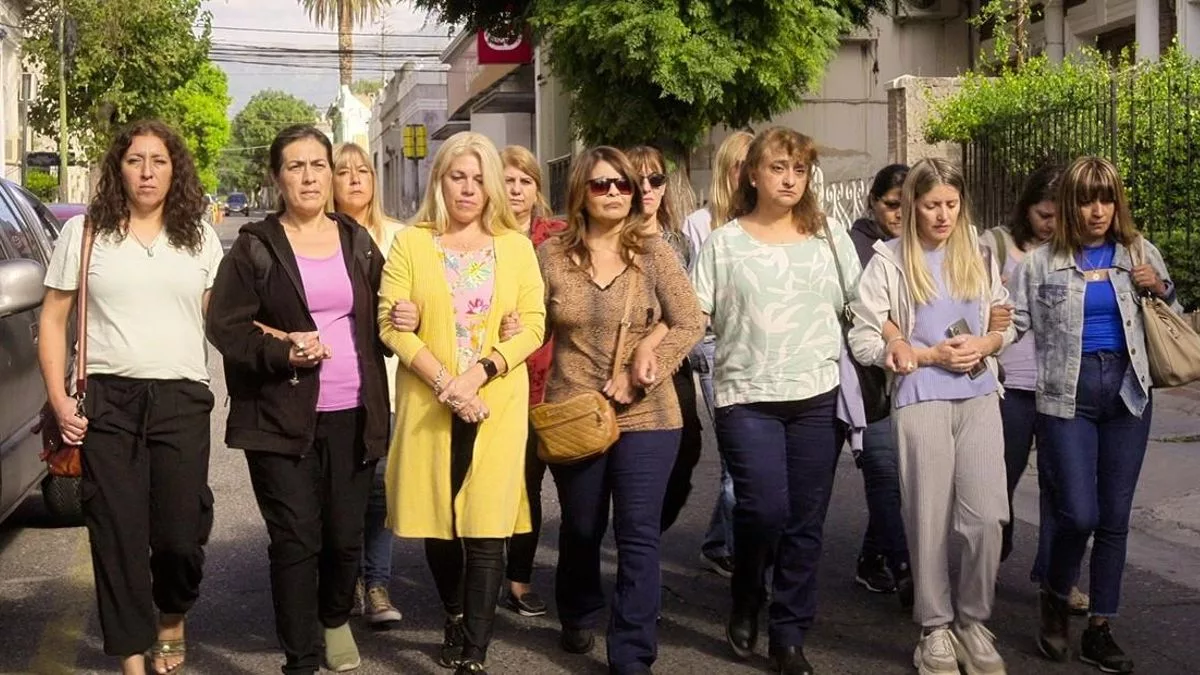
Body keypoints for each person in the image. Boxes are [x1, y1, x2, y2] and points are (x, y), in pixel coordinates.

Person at [37, 119, 223, 675]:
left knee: (179, 536)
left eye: (159, 161)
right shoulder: (87, 232)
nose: (147, 171)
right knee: (116, 534)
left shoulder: (198, 235)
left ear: (175, 170)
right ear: (119, 167)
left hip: (183, 398)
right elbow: (52, 320)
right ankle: (132, 655)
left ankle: (172, 616)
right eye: (135, 160)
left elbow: (226, 320)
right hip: (109, 401)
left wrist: (283, 339)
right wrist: (60, 399)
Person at [206, 124, 392, 675]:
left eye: (318, 165)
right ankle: (301, 659)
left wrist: (404, 318)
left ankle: (334, 616)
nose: (309, 177)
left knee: (342, 539)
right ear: (277, 177)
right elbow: (226, 325)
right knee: (295, 539)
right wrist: (281, 353)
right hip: (279, 416)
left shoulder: (357, 241)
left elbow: (382, 319)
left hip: (354, 413)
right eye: (295, 166)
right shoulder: (256, 246)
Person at [377, 131, 546, 675]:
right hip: (431, 403)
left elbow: (533, 326)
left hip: (496, 403)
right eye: (457, 177)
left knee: (487, 525)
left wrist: (477, 375)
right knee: (440, 522)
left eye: (478, 178)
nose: (468, 188)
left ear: (492, 185)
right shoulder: (412, 243)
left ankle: (476, 649)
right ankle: (453, 612)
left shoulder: (515, 246)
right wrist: (446, 382)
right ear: (439, 182)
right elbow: (389, 323)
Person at [692, 126, 859, 675]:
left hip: (816, 395)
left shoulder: (828, 236)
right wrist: (651, 349)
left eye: (800, 169)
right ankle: (746, 589)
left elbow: (863, 307)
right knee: (764, 508)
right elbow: (695, 315)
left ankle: (789, 635)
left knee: (805, 521)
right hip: (745, 395)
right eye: (778, 167)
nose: (790, 179)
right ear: (752, 174)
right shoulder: (725, 242)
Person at [539, 146, 703, 675]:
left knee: (637, 531)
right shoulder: (552, 257)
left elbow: (690, 320)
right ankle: (580, 606)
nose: (613, 193)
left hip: (649, 414)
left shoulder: (654, 252)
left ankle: (632, 652)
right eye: (601, 185)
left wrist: (650, 358)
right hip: (575, 412)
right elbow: (522, 323)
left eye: (624, 185)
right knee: (583, 527)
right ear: (580, 193)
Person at [848, 157, 1015, 675]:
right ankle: (935, 628)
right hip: (921, 396)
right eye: (930, 205)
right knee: (929, 518)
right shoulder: (890, 261)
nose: (942, 215)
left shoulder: (980, 254)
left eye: (950, 204)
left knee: (988, 517)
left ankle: (972, 620)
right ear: (913, 204)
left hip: (980, 393)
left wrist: (987, 343)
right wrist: (913, 353)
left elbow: (1004, 320)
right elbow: (863, 335)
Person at [1011, 156, 1176, 673]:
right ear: (1069, 205)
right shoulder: (1040, 263)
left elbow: (1172, 305)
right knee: (1077, 513)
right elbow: (1012, 321)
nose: (1097, 210)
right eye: (1086, 199)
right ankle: (1055, 597)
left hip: (1128, 395)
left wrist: (1160, 286)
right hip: (1067, 397)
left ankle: (1100, 629)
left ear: (1116, 202)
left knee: (1114, 518)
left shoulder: (1137, 252)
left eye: (1106, 198)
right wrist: (971, 339)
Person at [979, 163, 1088, 614]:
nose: (1051, 224)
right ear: (1027, 210)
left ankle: (1054, 576)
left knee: (1060, 488)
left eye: (1059, 215)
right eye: (1043, 215)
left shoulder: (1079, 252)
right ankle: (990, 557)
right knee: (997, 480)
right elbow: (967, 298)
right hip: (1012, 387)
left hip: (1062, 388)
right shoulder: (996, 245)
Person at [329, 141, 406, 628]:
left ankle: (376, 583)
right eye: (344, 171)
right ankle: (345, 580)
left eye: (364, 170)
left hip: (393, 385)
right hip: (336, 386)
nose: (356, 178)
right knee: (343, 492)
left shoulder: (401, 237)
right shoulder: (319, 238)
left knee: (380, 488)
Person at [684, 130, 754, 578]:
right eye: (744, 165)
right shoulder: (700, 224)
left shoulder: (768, 223)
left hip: (756, 347)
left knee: (746, 453)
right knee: (736, 451)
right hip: (715, 345)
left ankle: (720, 540)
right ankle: (732, 546)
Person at [624, 145, 704, 535]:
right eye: (637, 181)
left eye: (655, 179)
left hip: (673, 362)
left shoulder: (679, 242)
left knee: (687, 452)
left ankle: (646, 531)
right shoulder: (615, 239)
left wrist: (656, 341)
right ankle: (635, 532)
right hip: (619, 362)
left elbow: (687, 311)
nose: (647, 189)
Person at [846, 164, 915, 604]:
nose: (899, 214)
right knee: (885, 474)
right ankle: (903, 565)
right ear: (873, 201)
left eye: (906, 206)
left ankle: (873, 557)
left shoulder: (922, 244)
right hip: (868, 383)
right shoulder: (856, 246)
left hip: (915, 379)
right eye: (892, 204)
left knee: (904, 478)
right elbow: (862, 310)